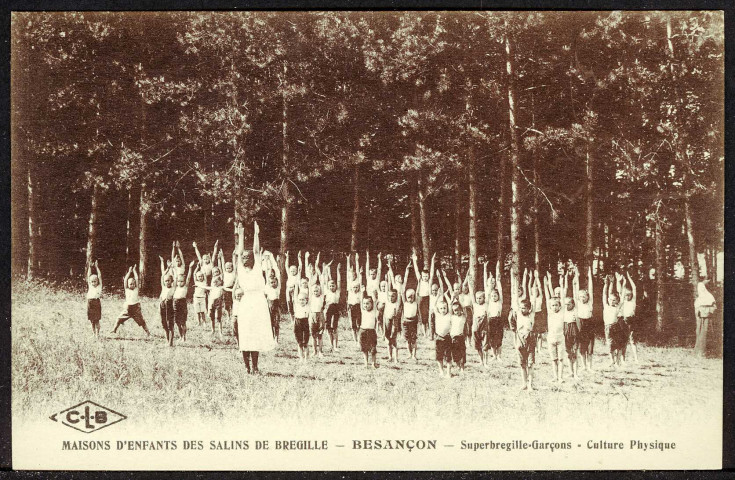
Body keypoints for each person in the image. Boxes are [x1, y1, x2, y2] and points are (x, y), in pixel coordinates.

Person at [234, 221, 275, 374]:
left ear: (252, 259)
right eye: (243, 257)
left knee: (256, 335)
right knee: (245, 334)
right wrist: (241, 233)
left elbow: (257, 250)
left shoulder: (257, 267)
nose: (245, 258)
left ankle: (255, 366)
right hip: (246, 303)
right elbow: (239, 251)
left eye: (247, 256)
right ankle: (246, 367)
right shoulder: (240, 269)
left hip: (258, 303)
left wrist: (257, 234)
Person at [510, 269, 535, 390]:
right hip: (520, 340)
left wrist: (530, 279)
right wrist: (515, 281)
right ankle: (524, 383)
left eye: (524, 308)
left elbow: (533, 298)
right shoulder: (518, 314)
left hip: (530, 340)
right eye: (520, 308)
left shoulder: (531, 315)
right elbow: (515, 297)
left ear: (529, 309)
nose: (522, 309)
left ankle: (530, 384)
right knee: (522, 364)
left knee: (530, 364)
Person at [111, 265, 151, 337]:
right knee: (119, 319)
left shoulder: (136, 289)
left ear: (135, 284)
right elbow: (125, 280)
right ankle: (114, 329)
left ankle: (148, 332)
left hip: (136, 308)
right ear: (128, 285)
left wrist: (135, 271)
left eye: (133, 284)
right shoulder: (127, 289)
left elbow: (137, 278)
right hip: (128, 309)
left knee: (141, 321)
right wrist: (129, 272)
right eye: (130, 284)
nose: (132, 285)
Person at [544, 271, 565, 382]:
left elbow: (562, 296)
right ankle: (555, 376)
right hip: (551, 338)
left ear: (560, 305)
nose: (554, 306)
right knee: (554, 359)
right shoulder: (550, 312)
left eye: (556, 305)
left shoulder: (562, 312)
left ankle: (560, 377)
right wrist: (548, 283)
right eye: (552, 305)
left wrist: (561, 283)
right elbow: (548, 297)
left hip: (560, 337)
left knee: (561, 359)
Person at [396, 260, 418, 362]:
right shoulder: (404, 302)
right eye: (409, 297)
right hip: (405, 321)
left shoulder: (415, 302)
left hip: (413, 321)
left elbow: (417, 290)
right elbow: (403, 289)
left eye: (412, 297)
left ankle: (414, 354)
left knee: (414, 339)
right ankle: (409, 353)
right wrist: (407, 270)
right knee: (407, 340)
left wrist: (409, 269)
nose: (410, 298)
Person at [573, 265, 595, 371]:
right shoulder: (577, 303)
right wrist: (576, 275)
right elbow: (575, 288)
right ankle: (584, 366)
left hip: (589, 324)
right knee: (582, 347)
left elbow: (590, 288)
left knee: (590, 347)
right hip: (580, 324)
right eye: (580, 296)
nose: (582, 298)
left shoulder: (590, 303)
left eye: (584, 296)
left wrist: (590, 275)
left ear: (588, 297)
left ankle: (590, 367)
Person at [433, 274, 453, 377]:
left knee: (448, 356)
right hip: (439, 337)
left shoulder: (449, 314)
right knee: (439, 356)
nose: (443, 310)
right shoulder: (437, 314)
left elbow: (450, 303)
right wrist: (438, 295)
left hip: (447, 337)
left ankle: (448, 372)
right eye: (441, 308)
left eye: (444, 308)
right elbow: (434, 305)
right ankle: (441, 371)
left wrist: (445, 295)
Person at [602, 275, 624, 368]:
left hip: (616, 326)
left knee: (619, 345)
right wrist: (608, 284)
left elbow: (622, 297)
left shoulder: (617, 307)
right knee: (610, 345)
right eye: (610, 300)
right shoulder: (606, 306)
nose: (611, 301)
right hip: (608, 327)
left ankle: (618, 361)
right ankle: (612, 360)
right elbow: (605, 294)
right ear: (608, 300)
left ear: (617, 301)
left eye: (614, 300)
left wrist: (618, 283)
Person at [173, 260, 196, 344]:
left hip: (182, 303)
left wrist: (190, 267)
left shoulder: (185, 287)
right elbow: (175, 276)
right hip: (175, 303)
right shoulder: (176, 286)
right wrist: (173, 268)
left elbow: (189, 277)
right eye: (179, 281)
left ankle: (184, 337)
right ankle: (180, 336)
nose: (180, 283)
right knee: (177, 322)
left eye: (182, 281)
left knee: (183, 322)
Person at [413, 252, 435, 338]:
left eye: (426, 276)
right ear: (422, 276)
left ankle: (429, 332)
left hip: (428, 298)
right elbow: (416, 270)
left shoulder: (429, 282)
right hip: (420, 298)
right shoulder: (420, 280)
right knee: (422, 317)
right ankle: (424, 333)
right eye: (424, 276)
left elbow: (432, 273)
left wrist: (432, 261)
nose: (425, 278)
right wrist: (414, 260)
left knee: (428, 315)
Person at [485, 261, 504, 362]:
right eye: (492, 296)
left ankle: (499, 355)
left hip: (498, 320)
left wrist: (497, 270)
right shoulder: (488, 301)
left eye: (495, 295)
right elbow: (488, 288)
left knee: (499, 338)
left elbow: (499, 288)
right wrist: (488, 274)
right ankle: (494, 355)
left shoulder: (500, 301)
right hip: (490, 320)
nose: (494, 297)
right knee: (491, 339)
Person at [694, 280, 717, 357]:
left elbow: (714, 307)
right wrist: (699, 312)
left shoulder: (710, 297)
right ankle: (698, 352)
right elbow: (696, 307)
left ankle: (706, 352)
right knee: (699, 333)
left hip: (707, 319)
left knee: (706, 333)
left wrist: (706, 311)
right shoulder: (699, 298)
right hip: (700, 319)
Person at [263, 251, 282, 344]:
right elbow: (267, 271)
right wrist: (266, 260)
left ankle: (276, 338)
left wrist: (273, 259)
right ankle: (270, 337)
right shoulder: (267, 285)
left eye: (274, 282)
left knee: (276, 322)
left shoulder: (278, 286)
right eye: (271, 282)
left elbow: (277, 271)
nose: (273, 283)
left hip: (276, 305)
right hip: (269, 305)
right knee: (269, 322)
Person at [383, 272, 402, 363]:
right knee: (387, 339)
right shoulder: (387, 301)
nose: (391, 298)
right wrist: (388, 277)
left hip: (394, 321)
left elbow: (398, 291)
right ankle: (390, 357)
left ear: (396, 296)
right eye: (390, 296)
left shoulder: (397, 302)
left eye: (393, 296)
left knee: (393, 339)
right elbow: (388, 287)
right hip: (387, 320)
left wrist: (391, 275)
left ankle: (396, 358)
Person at [620, 271, 639, 362]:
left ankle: (636, 359)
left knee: (632, 341)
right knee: (624, 340)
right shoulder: (622, 302)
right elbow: (621, 290)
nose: (628, 296)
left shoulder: (633, 301)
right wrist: (623, 281)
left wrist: (629, 278)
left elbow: (634, 288)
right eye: (626, 295)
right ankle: (623, 359)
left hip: (632, 321)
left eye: (629, 295)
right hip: (624, 320)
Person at [158, 256, 176, 345]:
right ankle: (167, 340)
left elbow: (175, 278)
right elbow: (162, 277)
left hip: (169, 306)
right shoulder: (163, 287)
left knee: (170, 324)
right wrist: (168, 268)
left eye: (169, 280)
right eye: (166, 281)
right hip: (162, 305)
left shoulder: (173, 288)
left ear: (171, 281)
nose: (167, 282)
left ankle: (171, 342)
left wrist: (173, 268)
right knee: (164, 323)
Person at [324, 263, 342, 352]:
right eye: (330, 285)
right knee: (328, 328)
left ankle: (335, 346)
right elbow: (326, 279)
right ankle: (330, 345)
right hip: (328, 309)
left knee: (334, 327)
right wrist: (327, 270)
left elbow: (339, 280)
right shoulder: (327, 291)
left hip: (335, 308)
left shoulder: (338, 291)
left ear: (336, 286)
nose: (331, 287)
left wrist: (338, 271)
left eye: (333, 285)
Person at [346, 253, 364, 343]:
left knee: (359, 323)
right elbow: (348, 273)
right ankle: (355, 340)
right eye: (351, 276)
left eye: (354, 276)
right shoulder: (349, 287)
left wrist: (357, 260)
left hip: (358, 306)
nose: (355, 288)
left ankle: (359, 339)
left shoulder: (359, 286)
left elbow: (358, 274)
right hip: (351, 306)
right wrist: (348, 260)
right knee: (353, 324)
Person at [359, 296, 379, 368]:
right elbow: (361, 300)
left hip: (371, 331)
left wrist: (375, 295)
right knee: (364, 349)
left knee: (373, 348)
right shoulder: (363, 310)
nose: (365, 305)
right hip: (363, 331)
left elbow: (376, 301)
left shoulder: (374, 311)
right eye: (364, 303)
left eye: (367, 303)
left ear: (372, 304)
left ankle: (373, 363)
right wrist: (362, 292)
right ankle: (366, 363)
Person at [449, 299, 467, 374]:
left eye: (458, 310)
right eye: (455, 310)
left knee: (462, 353)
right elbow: (450, 308)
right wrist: (452, 298)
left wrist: (459, 300)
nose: (456, 312)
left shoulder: (463, 317)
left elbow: (464, 308)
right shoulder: (452, 317)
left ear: (461, 310)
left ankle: (462, 368)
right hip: (453, 337)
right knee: (454, 354)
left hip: (460, 337)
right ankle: (458, 366)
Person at [86, 260, 102, 338]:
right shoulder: (90, 286)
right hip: (90, 302)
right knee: (92, 320)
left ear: (97, 281)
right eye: (92, 282)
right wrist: (89, 267)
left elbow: (99, 275)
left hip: (96, 302)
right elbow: (88, 275)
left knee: (97, 320)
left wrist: (96, 267)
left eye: (95, 281)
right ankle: (93, 333)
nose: (93, 283)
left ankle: (97, 334)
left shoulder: (99, 286)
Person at [284, 251, 302, 322]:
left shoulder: (298, 276)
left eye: (294, 271)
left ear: (297, 271)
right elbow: (286, 266)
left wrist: (299, 258)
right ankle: (292, 319)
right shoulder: (289, 275)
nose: (292, 272)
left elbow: (300, 266)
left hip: (295, 290)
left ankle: (296, 318)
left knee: (295, 303)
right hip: (288, 290)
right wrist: (287, 257)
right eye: (291, 271)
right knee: (289, 303)